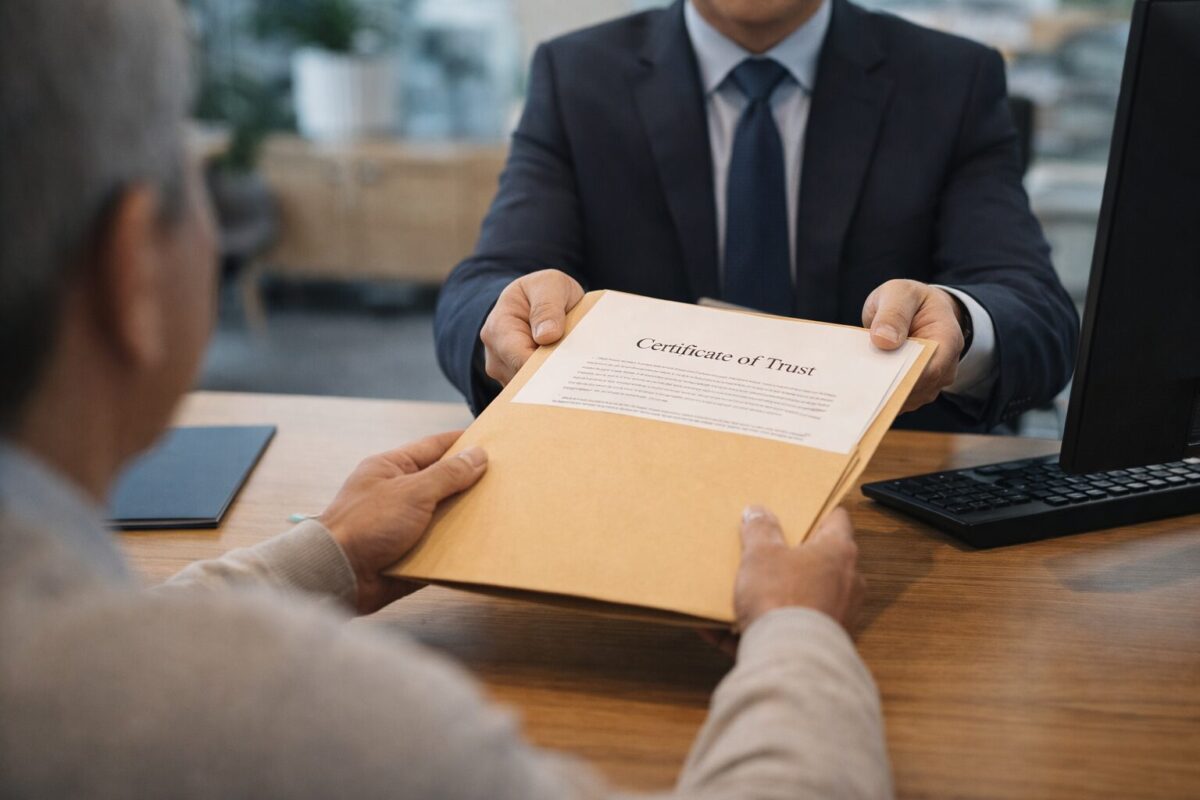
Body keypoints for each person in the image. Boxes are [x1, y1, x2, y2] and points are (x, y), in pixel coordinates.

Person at [0, 1, 893, 796]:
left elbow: (146, 639)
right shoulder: (308, 722)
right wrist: (796, 637)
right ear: (132, 276)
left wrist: (328, 557)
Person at [434, 0, 1079, 433]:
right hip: (635, 467)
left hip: (884, 484)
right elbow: (485, 283)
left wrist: (960, 321)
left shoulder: (952, 79)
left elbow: (1033, 309)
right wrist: (510, 312)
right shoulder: (576, 74)